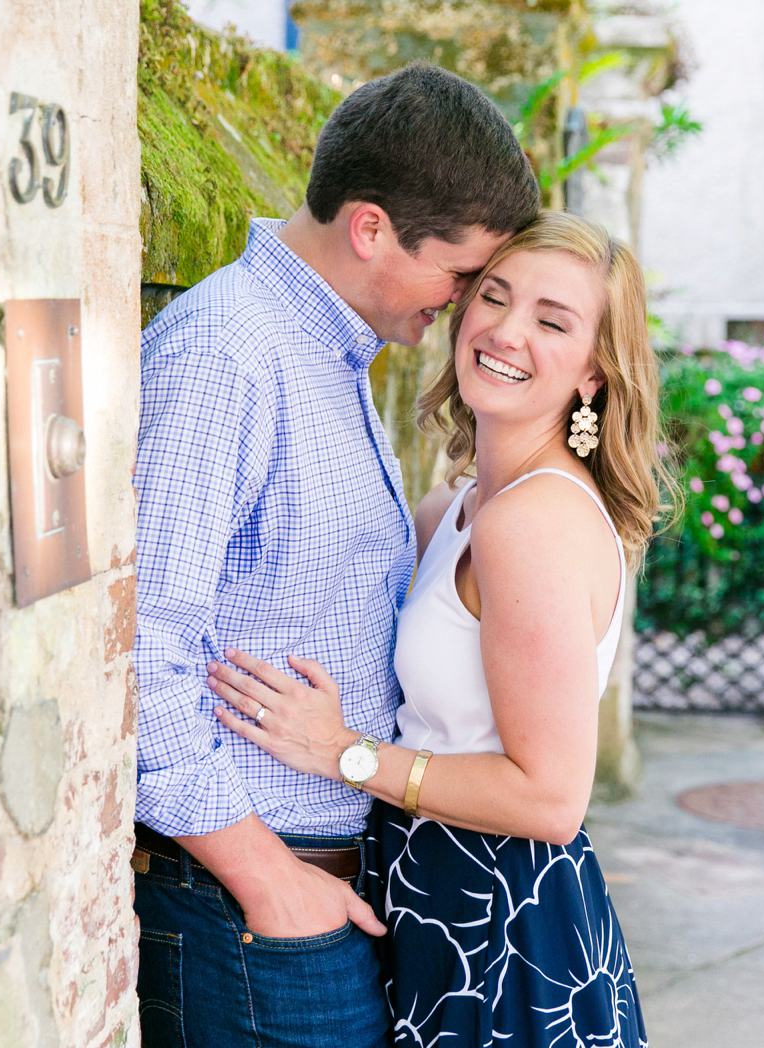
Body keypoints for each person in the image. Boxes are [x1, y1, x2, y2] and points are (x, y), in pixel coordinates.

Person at [131, 63, 539, 1048]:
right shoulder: (227, 353)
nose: (469, 302)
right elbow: (139, 646)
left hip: (305, 897)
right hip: (249, 908)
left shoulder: (328, 352)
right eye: (462, 272)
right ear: (371, 230)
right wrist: (267, 880)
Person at [208, 211, 671, 1048]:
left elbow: (551, 798)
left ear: (595, 373)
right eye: (493, 296)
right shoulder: (452, 508)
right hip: (429, 892)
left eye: (552, 320)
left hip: (501, 919)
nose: (506, 329)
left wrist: (341, 753)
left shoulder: (530, 523)